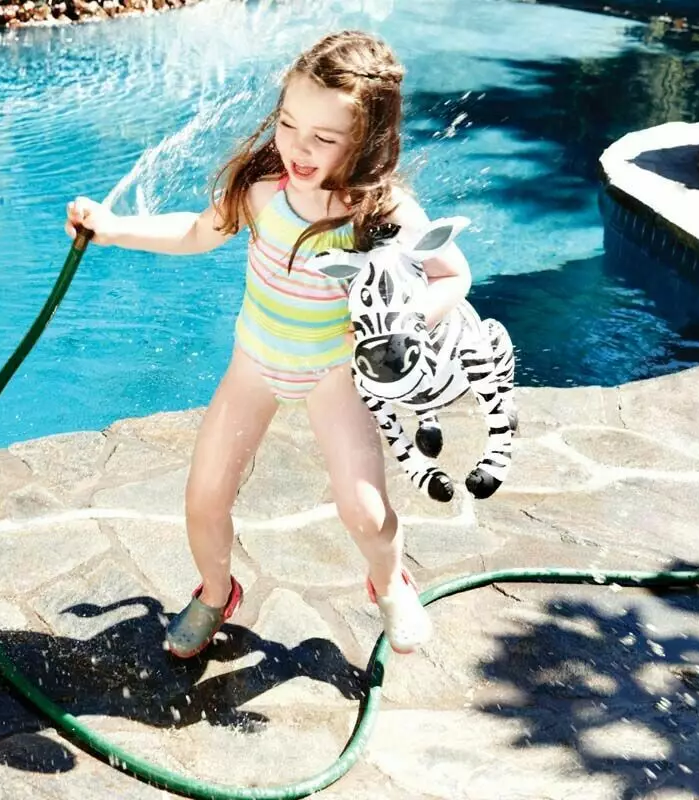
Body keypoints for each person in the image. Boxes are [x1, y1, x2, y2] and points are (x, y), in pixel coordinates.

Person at [65, 30, 471, 661]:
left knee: (364, 510)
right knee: (203, 498)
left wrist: (408, 318)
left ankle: (391, 583)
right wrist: (114, 229)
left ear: (367, 141)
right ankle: (216, 593)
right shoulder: (261, 191)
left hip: (335, 372)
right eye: (287, 124)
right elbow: (197, 233)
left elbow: (453, 274)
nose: (298, 148)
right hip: (255, 363)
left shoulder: (383, 214)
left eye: (324, 138)